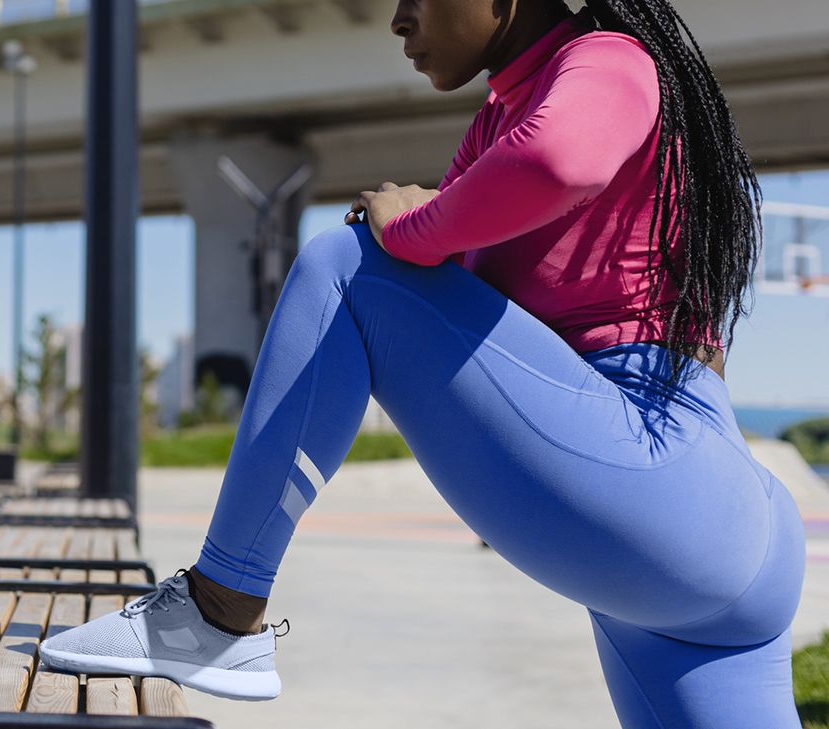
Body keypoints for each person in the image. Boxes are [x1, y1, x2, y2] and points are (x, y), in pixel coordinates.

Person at [39, 0, 806, 725]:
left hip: (661, 484)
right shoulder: (498, 121)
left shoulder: (605, 57)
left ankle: (217, 612)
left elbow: (555, 164)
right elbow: (459, 327)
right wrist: (433, 220)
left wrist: (410, 227)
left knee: (346, 264)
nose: (399, 18)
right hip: (713, 532)